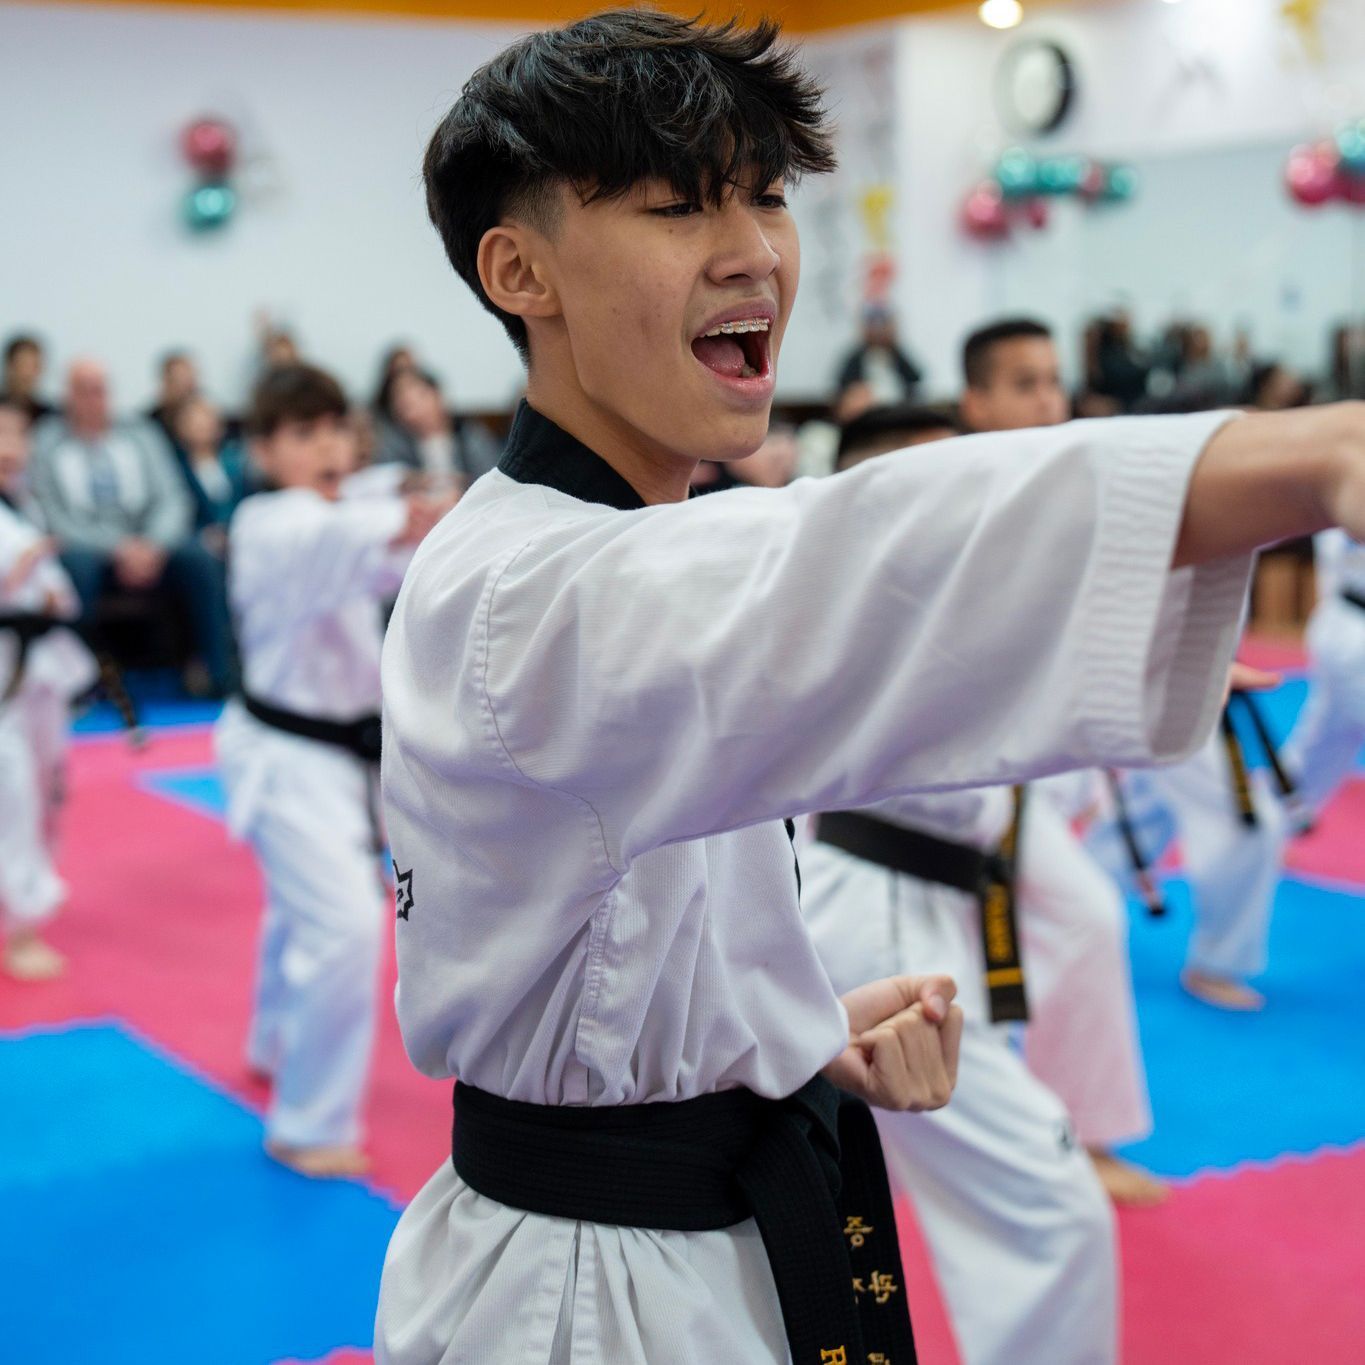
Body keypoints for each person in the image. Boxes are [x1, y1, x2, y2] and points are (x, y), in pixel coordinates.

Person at [375, 12, 1365, 1364]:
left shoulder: (594, 552)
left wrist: (780, 1032)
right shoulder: (535, 590)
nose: (751, 251)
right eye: (676, 207)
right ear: (519, 270)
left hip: (680, 1235)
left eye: (768, 196)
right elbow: (857, 559)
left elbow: (593, 939)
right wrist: (1317, 457)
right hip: (587, 1304)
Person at [805, 406, 1117, 1365]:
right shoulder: (870, 617)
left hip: (909, 911)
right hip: (882, 937)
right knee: (1053, 1215)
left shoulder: (947, 605)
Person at [214, 363, 448, 1178]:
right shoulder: (266, 522)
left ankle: (273, 1038)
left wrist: (417, 508)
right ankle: (307, 1122)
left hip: (343, 752)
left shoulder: (341, 508)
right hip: (283, 752)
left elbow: (381, 542)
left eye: (333, 429)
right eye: (302, 434)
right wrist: (406, 512)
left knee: (296, 906)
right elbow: (347, 532)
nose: (325, 447)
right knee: (344, 925)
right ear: (265, 450)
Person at [960, 315, 1167, 1204]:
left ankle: (1060, 1120)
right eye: (1021, 383)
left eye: (1051, 379)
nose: (1046, 398)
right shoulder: (955, 491)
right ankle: (1069, 1134)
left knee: (1081, 912)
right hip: (946, 771)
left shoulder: (1076, 483)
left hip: (1047, 746)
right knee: (1081, 917)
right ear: (975, 401)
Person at [28, 359, 236, 696]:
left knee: (200, 557)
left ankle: (220, 676)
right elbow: (52, 513)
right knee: (74, 566)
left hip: (151, 544)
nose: (94, 399)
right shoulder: (47, 440)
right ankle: (79, 684)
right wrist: (117, 548)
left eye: (100, 390)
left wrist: (152, 544)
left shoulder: (140, 433)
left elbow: (172, 497)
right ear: (67, 395)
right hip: (91, 549)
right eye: (84, 391)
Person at [0, 398, 97, 981]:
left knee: (43, 782)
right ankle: (21, 929)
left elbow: (52, 586)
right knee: (12, 791)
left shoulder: (25, 501)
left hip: (37, 666)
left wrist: (46, 591)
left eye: (18, 432)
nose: (12, 443)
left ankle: (30, 894)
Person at [1282, 529, 1365, 816]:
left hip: (1344, 621)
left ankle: (1280, 815)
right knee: (1324, 740)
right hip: (1352, 624)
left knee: (1325, 739)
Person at [376, 367, 501, 485]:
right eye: (404, 406)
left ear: (437, 396)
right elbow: (385, 480)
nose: (413, 413)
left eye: (418, 400)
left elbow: (493, 479)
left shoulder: (470, 435)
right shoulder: (395, 444)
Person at [170, 393, 253, 557]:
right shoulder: (175, 469)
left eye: (207, 420)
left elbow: (248, 500)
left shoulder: (236, 461)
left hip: (241, 536)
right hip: (200, 545)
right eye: (195, 422)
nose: (203, 426)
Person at [834, 305, 923, 406]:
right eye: (873, 325)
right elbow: (845, 382)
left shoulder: (897, 354)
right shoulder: (856, 357)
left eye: (883, 325)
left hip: (898, 410)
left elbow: (915, 378)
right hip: (866, 411)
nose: (878, 332)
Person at [145, 351, 200, 448]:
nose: (184, 390)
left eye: (188, 382)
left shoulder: (212, 422)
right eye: (178, 382)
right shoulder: (149, 423)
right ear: (165, 383)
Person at [0, 334, 57, 426]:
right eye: (23, 365)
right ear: (9, 366)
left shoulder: (49, 415)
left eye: (34, 366)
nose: (28, 374)